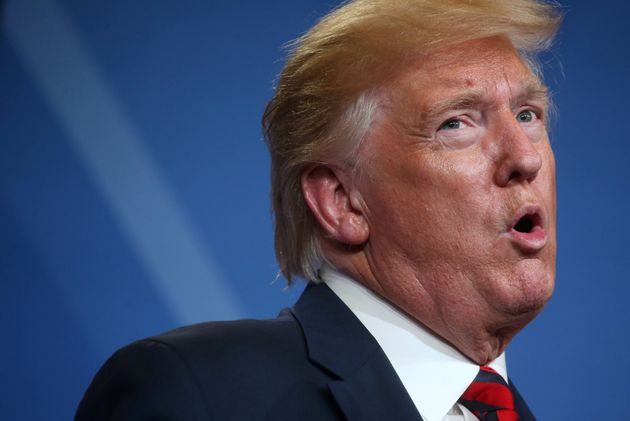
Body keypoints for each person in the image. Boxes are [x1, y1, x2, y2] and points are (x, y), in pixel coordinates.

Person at [76, 0, 562, 420]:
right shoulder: (199, 396)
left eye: (527, 115)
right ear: (342, 202)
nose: (526, 156)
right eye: (456, 123)